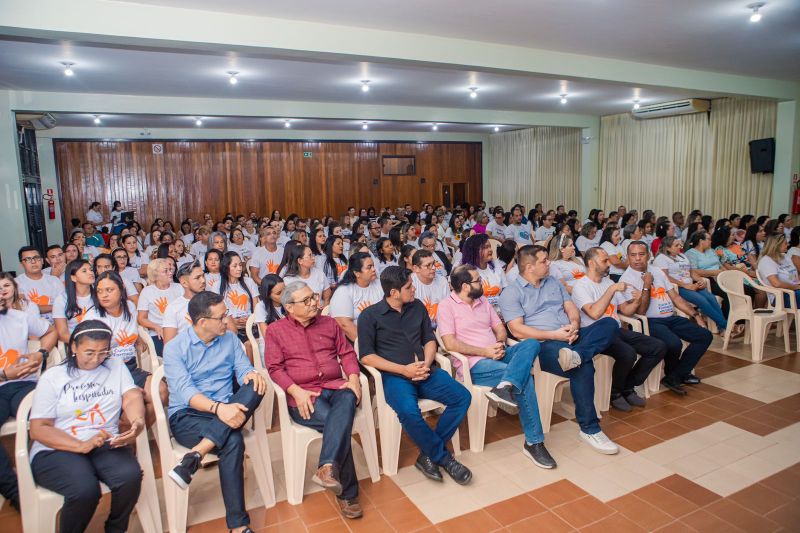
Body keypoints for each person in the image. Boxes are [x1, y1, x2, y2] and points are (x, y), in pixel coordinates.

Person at [498, 245, 620, 454]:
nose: (549, 263)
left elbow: (571, 308)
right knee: (582, 367)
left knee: (609, 324)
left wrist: (574, 325)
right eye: (544, 261)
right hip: (545, 344)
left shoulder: (553, 282)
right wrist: (555, 335)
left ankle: (577, 354)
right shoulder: (511, 292)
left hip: (570, 335)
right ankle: (590, 429)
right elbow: (517, 330)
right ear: (529, 267)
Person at [358, 266, 473, 484]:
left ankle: (428, 455)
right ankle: (445, 459)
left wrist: (426, 364)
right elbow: (367, 357)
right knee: (409, 412)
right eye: (409, 287)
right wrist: (404, 370)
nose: (414, 290)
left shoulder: (417, 306)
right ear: (394, 292)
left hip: (425, 370)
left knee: (462, 397)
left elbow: (429, 339)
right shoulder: (370, 316)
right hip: (395, 376)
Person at [164, 291, 267, 533]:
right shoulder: (175, 348)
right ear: (202, 322)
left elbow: (243, 369)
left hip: (226, 408)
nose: (227, 321)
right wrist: (219, 408)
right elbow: (186, 393)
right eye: (221, 317)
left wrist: (250, 374)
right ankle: (238, 526)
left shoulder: (229, 339)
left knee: (256, 385)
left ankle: (197, 454)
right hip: (188, 416)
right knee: (233, 440)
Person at [29, 320, 145, 533]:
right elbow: (39, 429)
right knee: (85, 490)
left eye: (103, 352)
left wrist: (137, 421)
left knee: (130, 477)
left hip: (103, 441)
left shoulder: (115, 366)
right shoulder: (53, 377)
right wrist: (80, 445)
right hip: (57, 448)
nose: (96, 359)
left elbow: (132, 396)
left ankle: (116, 528)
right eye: (89, 352)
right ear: (74, 347)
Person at [438, 265, 556, 468]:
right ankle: (534, 443)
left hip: (497, 353)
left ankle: (506, 384)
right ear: (465, 286)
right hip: (475, 364)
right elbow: (450, 344)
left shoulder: (482, 300)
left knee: (531, 344)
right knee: (525, 379)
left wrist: (500, 344)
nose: (483, 284)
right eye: (478, 280)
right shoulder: (446, 306)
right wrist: (485, 352)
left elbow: (500, 328)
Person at [265, 281, 364, 519]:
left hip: (335, 385)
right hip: (305, 394)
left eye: (314, 297)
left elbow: (347, 353)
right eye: (306, 300)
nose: (314, 303)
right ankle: (348, 494)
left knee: (348, 396)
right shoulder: (276, 331)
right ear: (289, 307)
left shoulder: (329, 323)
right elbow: (274, 368)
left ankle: (326, 467)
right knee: (336, 422)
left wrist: (353, 378)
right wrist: (295, 391)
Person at [572, 248, 665, 411]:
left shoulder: (608, 282)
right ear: (591, 263)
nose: (609, 264)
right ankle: (615, 394)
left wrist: (636, 301)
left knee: (658, 347)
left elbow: (626, 310)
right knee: (628, 353)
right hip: (595, 334)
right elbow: (594, 313)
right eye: (604, 261)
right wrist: (612, 289)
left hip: (616, 330)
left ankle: (627, 386)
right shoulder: (581, 286)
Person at [620, 242, 713, 394]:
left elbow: (675, 298)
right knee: (674, 343)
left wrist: (696, 316)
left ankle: (676, 375)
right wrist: (646, 285)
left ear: (648, 255)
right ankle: (676, 375)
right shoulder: (626, 279)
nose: (637, 258)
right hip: (650, 321)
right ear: (628, 257)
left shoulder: (657, 271)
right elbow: (641, 311)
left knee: (705, 336)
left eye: (641, 254)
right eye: (633, 255)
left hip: (671, 318)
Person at [0, 285, 56, 511]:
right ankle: (14, 491)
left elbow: (50, 331)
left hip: (24, 384)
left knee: (50, 417)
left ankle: (51, 472)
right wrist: (4, 374)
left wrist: (41, 353)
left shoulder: (20, 317)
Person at [653, 237, 732, 336]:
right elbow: (665, 277)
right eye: (676, 245)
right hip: (678, 288)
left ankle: (722, 328)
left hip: (690, 285)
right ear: (667, 248)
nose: (680, 247)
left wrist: (700, 280)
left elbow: (691, 272)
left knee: (711, 298)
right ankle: (727, 326)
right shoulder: (661, 258)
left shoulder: (681, 256)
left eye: (680, 244)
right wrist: (685, 285)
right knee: (702, 300)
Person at [329, 252, 383, 342]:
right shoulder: (344, 291)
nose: (374, 269)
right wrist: (368, 344)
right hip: (356, 340)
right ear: (357, 273)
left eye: (373, 266)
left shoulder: (379, 284)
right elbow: (345, 325)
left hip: (382, 335)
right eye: (369, 267)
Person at [137, 258, 183, 356]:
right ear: (155, 275)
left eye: (170, 269)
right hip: (158, 333)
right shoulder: (147, 292)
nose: (170, 273)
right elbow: (141, 318)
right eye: (165, 271)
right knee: (170, 355)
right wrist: (156, 327)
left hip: (179, 330)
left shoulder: (179, 288)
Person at [15, 245, 65, 323]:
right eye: (28, 259)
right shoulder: (16, 283)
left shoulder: (54, 280)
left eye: (36, 258)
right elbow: (24, 308)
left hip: (57, 323)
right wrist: (56, 307)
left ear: (42, 261)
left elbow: (64, 304)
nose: (33, 262)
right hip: (31, 326)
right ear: (21, 264)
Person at [219, 252, 259, 345]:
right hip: (230, 328)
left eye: (240, 265)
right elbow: (218, 312)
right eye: (235, 266)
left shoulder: (249, 282)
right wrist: (232, 322)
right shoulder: (217, 286)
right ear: (226, 267)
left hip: (251, 324)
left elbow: (256, 305)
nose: (239, 268)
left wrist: (250, 319)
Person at [163, 261, 207, 343]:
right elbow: (169, 345)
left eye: (203, 276)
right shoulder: (173, 308)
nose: (203, 280)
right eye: (197, 278)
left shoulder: (214, 301)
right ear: (184, 283)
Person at [460, 234, 506, 310]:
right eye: (485, 247)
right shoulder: (467, 271)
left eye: (490, 246)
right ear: (474, 251)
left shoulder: (496, 265)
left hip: (500, 310)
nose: (490, 250)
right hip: (478, 312)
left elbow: (505, 289)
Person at [53, 259, 95, 342]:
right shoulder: (62, 300)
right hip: (75, 342)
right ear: (73, 278)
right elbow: (62, 334)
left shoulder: (100, 295)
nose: (91, 273)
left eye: (91, 269)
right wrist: (84, 344)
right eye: (84, 271)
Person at [757, 233, 800, 305]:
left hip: (794, 291)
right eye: (785, 243)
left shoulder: (785, 257)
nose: (788, 245)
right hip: (780, 296)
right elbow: (776, 284)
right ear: (776, 245)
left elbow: (793, 276)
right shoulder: (766, 260)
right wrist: (796, 287)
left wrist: (797, 283)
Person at [411, 249, 450, 327]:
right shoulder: (410, 283)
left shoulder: (442, 280)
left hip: (441, 325)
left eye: (433, 263)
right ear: (416, 268)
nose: (434, 268)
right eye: (428, 265)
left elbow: (447, 308)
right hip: (419, 327)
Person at [254, 274, 285, 339]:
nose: (284, 294)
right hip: (273, 342)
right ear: (268, 295)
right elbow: (267, 337)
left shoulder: (291, 300)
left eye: (285, 290)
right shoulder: (261, 307)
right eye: (279, 293)